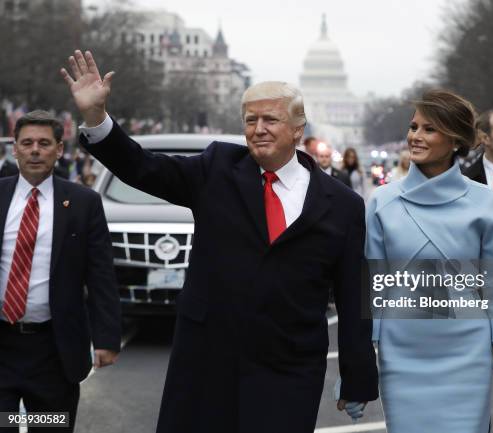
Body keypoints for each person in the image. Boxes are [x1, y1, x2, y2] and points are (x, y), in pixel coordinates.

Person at [61, 50, 378, 433]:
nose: (258, 128)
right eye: (250, 120)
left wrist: (358, 375)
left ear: (298, 129)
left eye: (270, 119)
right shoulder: (216, 169)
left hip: (288, 369)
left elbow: (353, 294)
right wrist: (97, 118)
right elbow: (143, 167)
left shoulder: (343, 204)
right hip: (207, 362)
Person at [366, 89, 493, 433]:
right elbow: (372, 292)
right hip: (401, 357)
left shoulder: (486, 202)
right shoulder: (382, 202)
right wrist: (359, 364)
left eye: (428, 129)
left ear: (454, 140)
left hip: (467, 357)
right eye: (413, 127)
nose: (414, 136)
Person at [0, 110, 121, 433]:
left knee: (49, 426)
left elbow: (100, 275)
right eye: (27, 143)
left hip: (53, 350)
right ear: (15, 149)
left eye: (44, 143)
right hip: (2, 345)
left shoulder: (83, 203)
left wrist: (106, 338)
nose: (35, 150)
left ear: (58, 149)